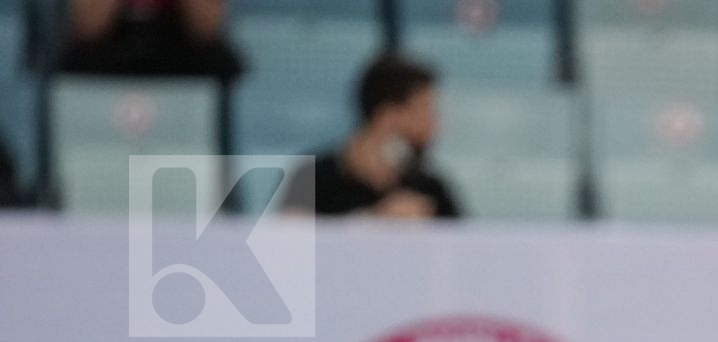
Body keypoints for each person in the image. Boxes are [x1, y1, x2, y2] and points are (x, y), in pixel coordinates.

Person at [282, 54, 461, 221]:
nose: (434, 126)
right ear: (387, 115)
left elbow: (467, 249)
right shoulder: (312, 178)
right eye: (425, 110)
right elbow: (286, 244)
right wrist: (373, 222)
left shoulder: (430, 189)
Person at [61, 0, 243, 78]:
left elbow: (206, 28)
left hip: (178, 44)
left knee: (219, 61)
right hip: (113, 43)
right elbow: (90, 27)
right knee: (81, 59)